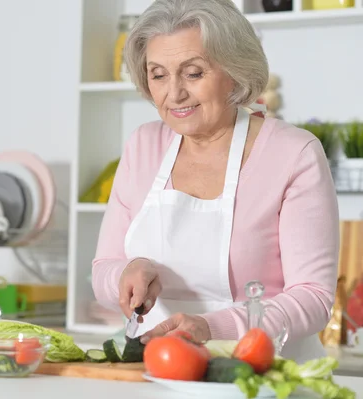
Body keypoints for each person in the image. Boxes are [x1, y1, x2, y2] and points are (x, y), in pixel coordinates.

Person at [91, 0, 339, 363]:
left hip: (267, 374)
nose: (173, 94)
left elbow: (313, 297)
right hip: (163, 369)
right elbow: (103, 269)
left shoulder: (293, 153)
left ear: (235, 71)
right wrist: (125, 273)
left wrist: (212, 327)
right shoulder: (144, 145)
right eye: (158, 74)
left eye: (193, 73)